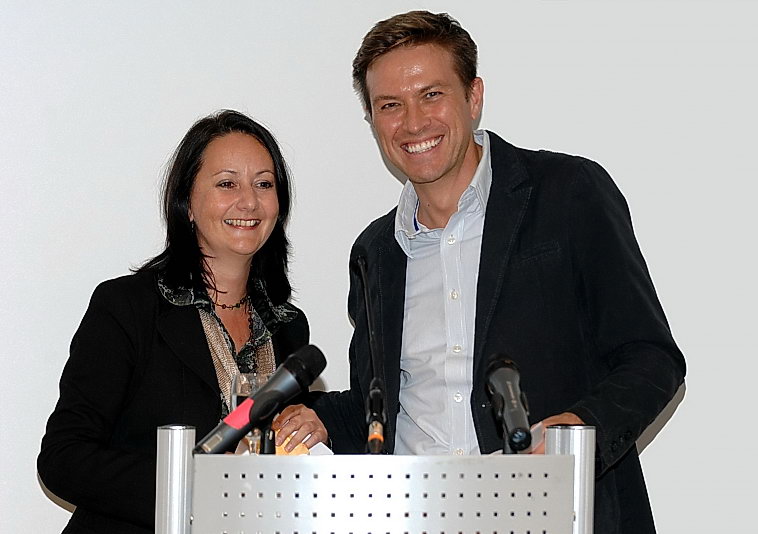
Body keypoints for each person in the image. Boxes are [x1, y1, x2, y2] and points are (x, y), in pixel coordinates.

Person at [306, 11, 686, 534]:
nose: (413, 122)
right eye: (390, 105)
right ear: (373, 120)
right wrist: (316, 417)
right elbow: (383, 406)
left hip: (557, 515)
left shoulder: (568, 192)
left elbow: (651, 359)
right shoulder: (375, 251)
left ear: (473, 97)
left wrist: (579, 431)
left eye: (432, 95)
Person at [38, 110, 328, 534]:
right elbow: (64, 458)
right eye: (227, 183)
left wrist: (313, 427)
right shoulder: (128, 308)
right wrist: (190, 487)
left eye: (264, 184)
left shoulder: (288, 326)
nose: (249, 201)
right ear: (187, 203)